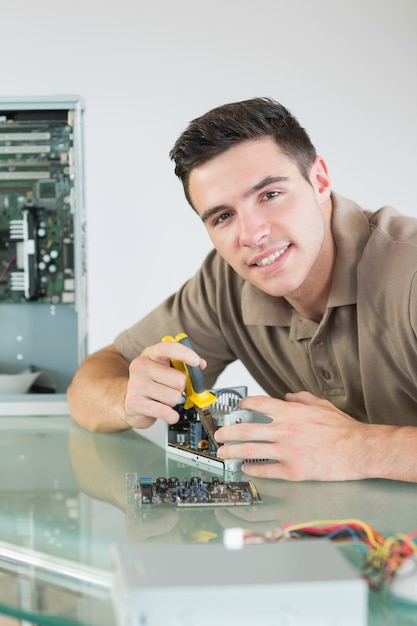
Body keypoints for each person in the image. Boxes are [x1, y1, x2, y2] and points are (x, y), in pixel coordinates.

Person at [67, 97, 417, 483]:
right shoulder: (226, 283)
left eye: (269, 195)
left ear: (319, 180)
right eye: (223, 216)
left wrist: (359, 448)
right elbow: (90, 381)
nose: (252, 235)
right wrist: (128, 401)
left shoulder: (410, 273)